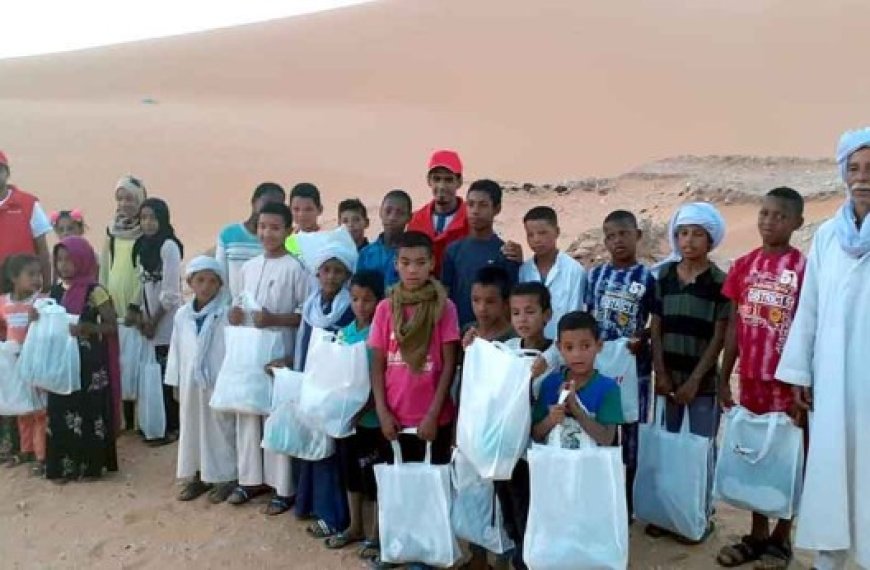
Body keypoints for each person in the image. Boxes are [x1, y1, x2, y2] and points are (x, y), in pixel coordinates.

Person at [775, 128, 870, 570]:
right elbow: (808, 306)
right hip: (832, 375)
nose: (862, 177)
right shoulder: (829, 236)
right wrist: (800, 373)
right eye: (854, 168)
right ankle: (829, 558)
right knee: (831, 465)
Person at [714, 187, 806, 569]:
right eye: (764, 213)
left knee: (784, 457)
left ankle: (781, 539)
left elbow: (808, 327)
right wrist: (724, 374)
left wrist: (805, 381)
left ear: (797, 223)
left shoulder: (804, 269)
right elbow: (734, 325)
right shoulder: (743, 265)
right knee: (753, 455)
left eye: (779, 216)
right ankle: (756, 533)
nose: (769, 222)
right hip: (750, 379)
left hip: (787, 384)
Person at [368, 231, 460, 569]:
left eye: (421, 262)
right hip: (394, 414)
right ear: (396, 265)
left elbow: (450, 362)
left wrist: (434, 414)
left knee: (431, 489)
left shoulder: (444, 306)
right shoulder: (384, 308)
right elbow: (377, 363)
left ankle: (429, 552)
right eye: (405, 263)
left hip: (432, 417)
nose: (413, 270)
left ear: (432, 264)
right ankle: (396, 548)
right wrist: (381, 410)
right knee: (397, 489)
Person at [649, 201, 728, 544]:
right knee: (669, 449)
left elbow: (719, 336)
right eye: (683, 233)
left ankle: (699, 515)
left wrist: (696, 380)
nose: (689, 241)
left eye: (697, 234)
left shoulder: (720, 282)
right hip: (668, 379)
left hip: (702, 384)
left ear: (710, 239)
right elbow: (656, 327)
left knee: (699, 450)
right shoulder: (663, 276)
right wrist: (660, 373)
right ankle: (669, 512)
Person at [226, 202, 309, 512]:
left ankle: (282, 488)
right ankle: (249, 480)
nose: (267, 233)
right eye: (263, 226)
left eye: (275, 228)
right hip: (248, 352)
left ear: (288, 231)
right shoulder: (249, 267)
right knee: (248, 413)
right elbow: (240, 303)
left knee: (276, 417)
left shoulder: (296, 268)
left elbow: (304, 315)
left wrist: (276, 319)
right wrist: (234, 315)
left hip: (279, 353)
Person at [584, 209, 657, 517]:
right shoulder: (595, 275)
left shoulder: (648, 278)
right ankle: (602, 494)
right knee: (602, 426)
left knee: (631, 432)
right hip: (601, 365)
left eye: (624, 234)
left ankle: (627, 501)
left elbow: (656, 319)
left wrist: (645, 336)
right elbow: (588, 314)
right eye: (611, 236)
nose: (618, 241)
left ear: (637, 236)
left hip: (633, 369)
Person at [292, 232, 357, 539]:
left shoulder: (348, 309)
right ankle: (310, 505)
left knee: (330, 454)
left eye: (338, 271)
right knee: (312, 447)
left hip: (335, 390)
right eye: (326, 270)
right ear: (317, 272)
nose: (331, 276)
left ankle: (334, 516)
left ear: (347, 275)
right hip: (311, 385)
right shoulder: (311, 305)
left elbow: (350, 350)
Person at [46, 236, 119, 482]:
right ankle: (64, 467)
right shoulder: (54, 291)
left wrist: (88, 328)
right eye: (59, 260)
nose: (64, 265)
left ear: (83, 259)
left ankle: (90, 466)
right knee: (60, 409)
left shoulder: (95, 291)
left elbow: (111, 326)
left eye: (69, 259)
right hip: (61, 363)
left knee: (89, 410)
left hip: (89, 364)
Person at [165, 256, 237, 504]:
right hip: (189, 383)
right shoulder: (183, 315)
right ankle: (198, 475)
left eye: (211, 280)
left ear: (220, 284)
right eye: (200, 280)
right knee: (192, 426)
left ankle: (225, 477)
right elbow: (176, 349)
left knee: (220, 428)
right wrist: (175, 381)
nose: (206, 286)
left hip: (217, 380)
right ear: (190, 283)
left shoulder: (226, 313)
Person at [326, 270, 385, 562]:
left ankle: (374, 535)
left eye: (367, 299)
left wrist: (363, 409)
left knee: (372, 478)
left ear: (379, 300)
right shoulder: (345, 332)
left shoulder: (380, 333)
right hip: (347, 420)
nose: (360, 306)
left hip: (371, 420)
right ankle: (354, 526)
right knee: (351, 475)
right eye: (355, 299)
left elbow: (381, 379)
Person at [130, 198, 183, 445]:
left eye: (152, 218)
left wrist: (154, 321)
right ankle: (153, 424)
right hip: (149, 320)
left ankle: (171, 426)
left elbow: (171, 292)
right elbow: (142, 284)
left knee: (166, 377)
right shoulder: (141, 246)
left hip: (167, 321)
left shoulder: (169, 246)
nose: (148, 223)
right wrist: (141, 317)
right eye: (143, 218)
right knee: (152, 375)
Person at [532, 311, 624, 446]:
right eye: (569, 347)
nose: (577, 355)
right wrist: (550, 420)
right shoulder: (550, 383)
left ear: (599, 346)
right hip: (555, 465)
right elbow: (536, 435)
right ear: (559, 348)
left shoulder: (608, 388)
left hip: (590, 465)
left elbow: (606, 439)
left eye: (585, 346)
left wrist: (577, 411)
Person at [441, 179, 522, 329]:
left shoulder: (506, 253)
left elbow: (511, 302)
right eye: (470, 204)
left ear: (496, 209)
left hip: (494, 338)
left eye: (483, 205)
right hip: (458, 332)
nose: (475, 211)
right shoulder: (453, 251)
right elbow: (445, 298)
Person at [0, 254, 46, 474]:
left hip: (34, 362)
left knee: (39, 410)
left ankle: (41, 454)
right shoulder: (4, 302)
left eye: (39, 273)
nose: (37, 279)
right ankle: (26, 449)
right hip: (13, 366)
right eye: (31, 274)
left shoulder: (40, 302)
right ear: (13, 278)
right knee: (22, 409)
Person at [519, 206, 586, 341]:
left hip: (563, 349)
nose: (536, 239)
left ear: (557, 232)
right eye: (530, 235)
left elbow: (575, 316)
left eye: (542, 233)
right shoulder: (524, 271)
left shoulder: (574, 271)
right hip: (531, 348)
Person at [215, 182, 286, 298]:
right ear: (254, 202)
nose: (270, 209)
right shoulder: (228, 234)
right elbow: (219, 276)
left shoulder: (278, 240)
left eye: (277, 206)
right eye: (267, 203)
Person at [407, 150, 470, 274]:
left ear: (459, 181)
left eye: (448, 180)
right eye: (437, 179)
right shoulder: (415, 220)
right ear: (429, 181)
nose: (441, 186)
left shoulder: (471, 219)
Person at [0, 151, 52, 291]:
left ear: (7, 173)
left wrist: (46, 287)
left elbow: (42, 250)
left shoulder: (28, 204)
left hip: (23, 293)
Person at [100, 175, 147, 322]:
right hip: (114, 303)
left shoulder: (147, 231)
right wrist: (104, 300)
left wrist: (135, 304)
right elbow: (105, 267)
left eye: (129, 199)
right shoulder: (112, 229)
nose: (124, 204)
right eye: (120, 199)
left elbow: (148, 273)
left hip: (138, 306)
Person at [358, 190, 412, 290]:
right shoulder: (366, 253)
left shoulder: (412, 254)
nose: (392, 217)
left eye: (400, 213)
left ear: (409, 217)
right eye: (388, 211)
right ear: (380, 212)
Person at [460, 265, 515, 348]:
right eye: (476, 300)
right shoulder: (467, 332)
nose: (481, 308)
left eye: (490, 302)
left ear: (506, 303)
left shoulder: (515, 338)